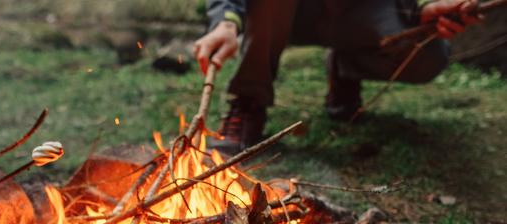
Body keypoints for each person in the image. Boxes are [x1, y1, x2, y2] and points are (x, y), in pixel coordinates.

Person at [194, 0, 481, 154]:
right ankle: (249, 100)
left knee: (430, 55)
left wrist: (423, 5)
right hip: (290, 11)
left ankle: (346, 68)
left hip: (360, 11)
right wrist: (227, 21)